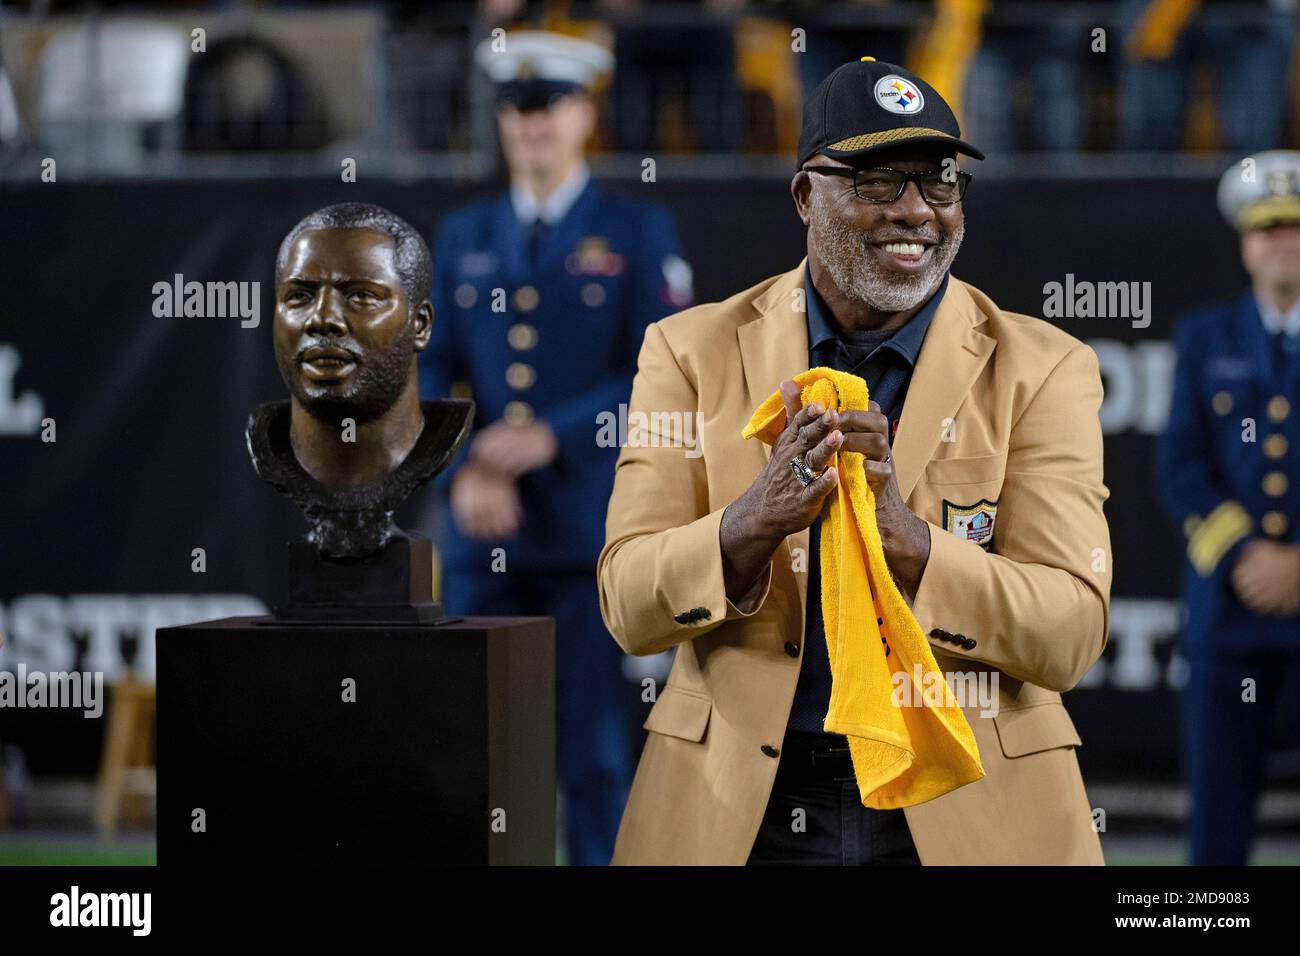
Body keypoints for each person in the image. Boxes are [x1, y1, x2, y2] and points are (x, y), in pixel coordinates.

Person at [599, 57, 1112, 865]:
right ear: (807, 196)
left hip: (965, 801)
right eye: (877, 182)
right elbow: (629, 603)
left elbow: (1071, 634)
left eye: (939, 181)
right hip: (742, 811)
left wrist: (907, 540)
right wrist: (748, 525)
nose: (917, 211)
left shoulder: (1045, 365)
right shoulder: (688, 351)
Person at [417, 30, 691, 866]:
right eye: (516, 110)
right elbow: (428, 370)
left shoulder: (636, 229)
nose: (531, 126)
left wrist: (549, 435)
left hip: (584, 533)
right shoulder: (463, 229)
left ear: (584, 114)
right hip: (482, 533)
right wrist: (464, 469)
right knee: (478, 757)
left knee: (594, 759)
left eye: (548, 108)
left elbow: (662, 366)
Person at [1156, 150, 1300, 866]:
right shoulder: (1204, 336)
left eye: (1296, 226)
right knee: (1217, 820)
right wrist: (1250, 557)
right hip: (1228, 611)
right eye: (1267, 226)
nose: (1282, 240)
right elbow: (1180, 466)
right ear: (1245, 242)